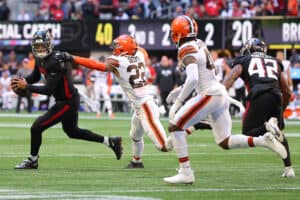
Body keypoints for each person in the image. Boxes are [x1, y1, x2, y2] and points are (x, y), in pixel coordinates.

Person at [163, 15, 287, 184]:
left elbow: (192, 79)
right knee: (224, 141)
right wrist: (179, 91)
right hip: (219, 93)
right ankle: (262, 140)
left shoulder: (185, 47)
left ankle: (186, 172)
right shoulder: (198, 43)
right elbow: (200, 75)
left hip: (210, 94)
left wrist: (178, 103)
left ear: (178, 33)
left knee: (175, 125)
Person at [10, 29, 122, 169]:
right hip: (66, 100)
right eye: (37, 46)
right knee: (72, 132)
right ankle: (111, 141)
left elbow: (48, 90)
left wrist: (27, 86)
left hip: (67, 102)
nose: (40, 49)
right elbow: (36, 76)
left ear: (49, 44)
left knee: (36, 127)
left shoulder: (56, 61)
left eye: (42, 46)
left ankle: (32, 160)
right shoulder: (39, 59)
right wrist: (23, 80)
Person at [65, 35, 171, 168]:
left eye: (117, 48)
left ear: (123, 50)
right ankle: (136, 162)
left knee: (164, 146)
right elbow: (142, 51)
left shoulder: (119, 61)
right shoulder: (140, 55)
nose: (114, 51)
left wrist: (73, 58)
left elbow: (97, 65)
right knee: (135, 135)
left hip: (146, 107)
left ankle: (185, 129)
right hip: (141, 105)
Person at [223, 38, 295, 178]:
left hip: (258, 94)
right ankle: (289, 168)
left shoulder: (245, 59)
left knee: (248, 132)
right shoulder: (274, 61)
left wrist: (220, 90)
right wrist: (281, 110)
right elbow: (286, 91)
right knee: (278, 132)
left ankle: (267, 127)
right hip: (276, 96)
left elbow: (232, 75)